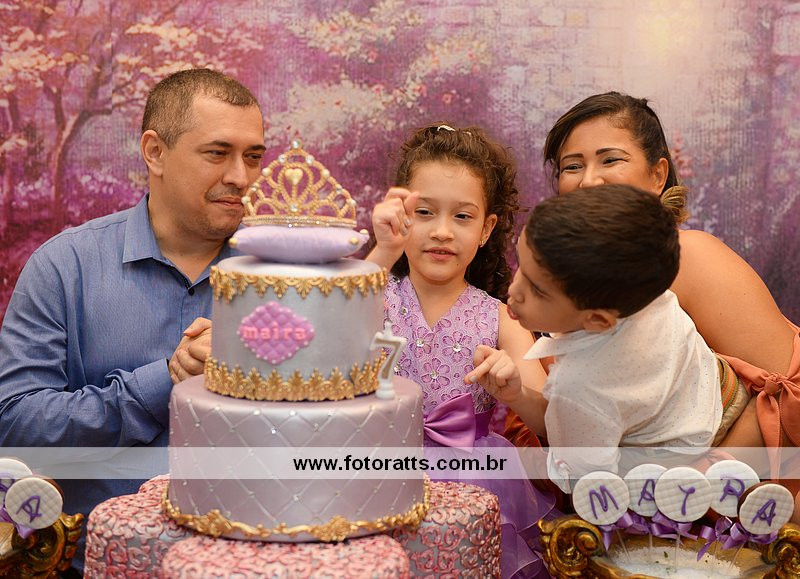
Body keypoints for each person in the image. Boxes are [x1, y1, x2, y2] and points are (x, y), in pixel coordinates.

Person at [0, 68, 266, 571]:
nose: (241, 177)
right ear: (155, 151)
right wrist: (164, 382)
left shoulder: (285, 279)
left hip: (254, 560)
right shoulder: (65, 268)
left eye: (253, 156)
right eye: (218, 153)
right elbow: (15, 425)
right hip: (94, 565)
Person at [506, 91, 800, 486]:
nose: (589, 180)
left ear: (658, 175)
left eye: (610, 159)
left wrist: (697, 481)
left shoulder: (691, 256)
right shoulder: (555, 273)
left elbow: (789, 388)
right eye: (572, 166)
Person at [471, 184, 754, 493]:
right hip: (721, 390)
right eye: (521, 266)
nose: (514, 290)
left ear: (597, 319)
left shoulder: (580, 387)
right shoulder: (641, 286)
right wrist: (519, 395)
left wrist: (522, 402)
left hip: (678, 458)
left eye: (537, 290)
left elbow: (586, 479)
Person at [369, 123, 555, 578]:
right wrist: (383, 251)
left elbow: (548, 418)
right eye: (424, 212)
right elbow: (330, 321)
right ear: (401, 215)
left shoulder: (502, 317)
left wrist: (514, 392)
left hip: (474, 480)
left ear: (487, 228)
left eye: (462, 217)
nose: (441, 232)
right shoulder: (374, 294)